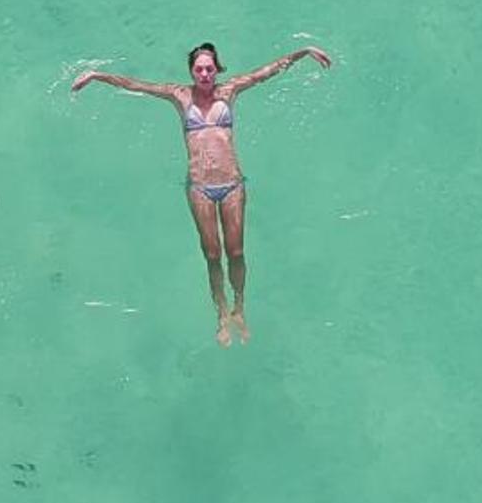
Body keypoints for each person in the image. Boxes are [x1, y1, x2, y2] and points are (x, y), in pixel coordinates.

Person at [72, 41, 334, 345]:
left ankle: (239, 308)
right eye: (199, 69)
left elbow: (265, 72)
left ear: (217, 69)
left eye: (209, 68)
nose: (205, 74)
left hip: (232, 184)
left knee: (236, 252)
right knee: (212, 255)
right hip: (200, 189)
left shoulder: (229, 91)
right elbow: (137, 85)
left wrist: (303, 52)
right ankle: (221, 314)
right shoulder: (179, 96)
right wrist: (97, 75)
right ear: (192, 72)